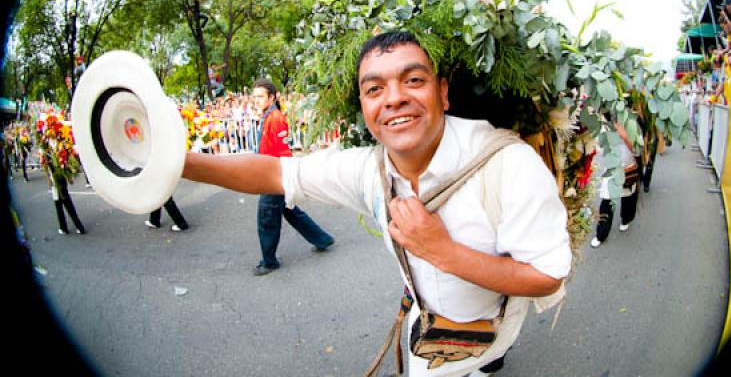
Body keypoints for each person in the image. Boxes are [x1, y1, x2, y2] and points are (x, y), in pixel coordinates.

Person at [182, 32, 571, 376]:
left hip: (494, 334)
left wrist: (442, 251)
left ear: (443, 91)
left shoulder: (508, 163)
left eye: (413, 80)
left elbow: (546, 276)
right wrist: (177, 164)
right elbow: (274, 173)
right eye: (374, 89)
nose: (395, 98)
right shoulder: (370, 168)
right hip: (428, 342)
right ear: (364, 108)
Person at [250, 79, 335, 276]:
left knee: (267, 217)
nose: (256, 101)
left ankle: (269, 262)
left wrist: (281, 179)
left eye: (260, 97)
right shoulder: (268, 116)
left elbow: (284, 153)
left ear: (271, 97)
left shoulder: (276, 118)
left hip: (274, 176)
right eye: (254, 97)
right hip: (271, 173)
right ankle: (322, 239)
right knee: (289, 211)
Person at [591, 116, 641, 248]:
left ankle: (626, 219)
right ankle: (601, 234)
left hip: (628, 167)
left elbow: (638, 150)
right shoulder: (604, 125)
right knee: (606, 201)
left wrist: (625, 137)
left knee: (628, 197)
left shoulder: (632, 123)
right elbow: (599, 149)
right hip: (612, 169)